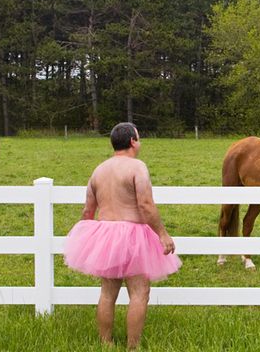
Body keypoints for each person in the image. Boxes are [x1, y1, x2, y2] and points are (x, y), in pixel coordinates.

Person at [64, 122, 181, 349]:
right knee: (139, 292)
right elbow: (146, 205)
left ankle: (105, 344)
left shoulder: (99, 170)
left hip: (107, 236)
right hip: (133, 237)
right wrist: (163, 234)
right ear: (132, 142)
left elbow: (88, 211)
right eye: (139, 137)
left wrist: (87, 242)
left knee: (108, 293)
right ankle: (132, 346)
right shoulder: (137, 167)